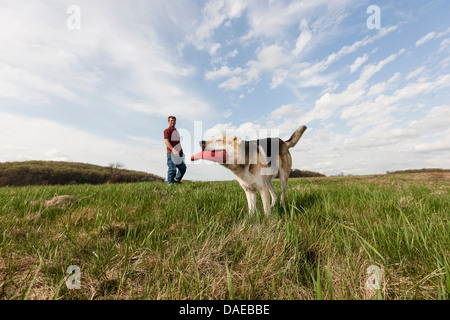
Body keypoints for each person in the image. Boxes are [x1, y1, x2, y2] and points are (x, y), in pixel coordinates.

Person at [164, 116, 186, 186]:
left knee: (183, 168)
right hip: (171, 153)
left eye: (174, 120)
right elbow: (166, 142)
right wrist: (173, 150)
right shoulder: (167, 131)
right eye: (171, 120)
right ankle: (170, 184)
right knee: (172, 169)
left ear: (175, 122)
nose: (172, 122)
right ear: (168, 122)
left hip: (179, 153)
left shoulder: (176, 131)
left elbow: (178, 143)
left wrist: (182, 152)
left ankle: (177, 179)